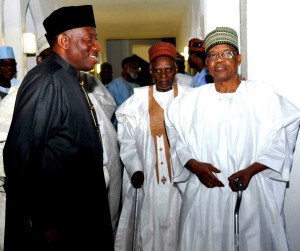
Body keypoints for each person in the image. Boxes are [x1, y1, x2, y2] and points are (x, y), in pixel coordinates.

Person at [165, 26, 300, 251]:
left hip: (252, 192)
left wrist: (253, 170)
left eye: (226, 54)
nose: (219, 60)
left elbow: (284, 131)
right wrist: (193, 164)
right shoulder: (188, 102)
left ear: (238, 59)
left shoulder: (262, 96)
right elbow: (175, 136)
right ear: (206, 63)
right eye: (213, 55)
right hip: (205, 194)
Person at [3, 5, 114, 251]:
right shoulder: (48, 80)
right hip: (58, 226)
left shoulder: (68, 77)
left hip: (77, 217)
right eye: (90, 39)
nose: (96, 47)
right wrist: (44, 222)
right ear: (63, 40)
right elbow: (18, 156)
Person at [115, 42, 188, 251]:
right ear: (150, 71)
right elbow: (126, 141)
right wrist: (134, 167)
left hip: (182, 178)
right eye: (158, 70)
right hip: (148, 178)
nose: (163, 75)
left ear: (176, 70)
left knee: (180, 226)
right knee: (149, 229)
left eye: (168, 70)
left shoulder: (189, 98)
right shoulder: (135, 103)